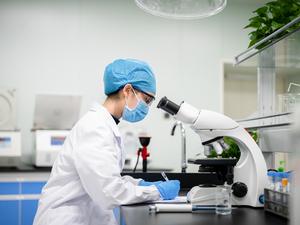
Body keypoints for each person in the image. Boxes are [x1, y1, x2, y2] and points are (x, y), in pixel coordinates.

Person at [33, 59, 180, 225]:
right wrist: (156, 191)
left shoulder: (105, 125)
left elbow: (106, 178)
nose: (147, 107)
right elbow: (108, 192)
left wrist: (139, 183)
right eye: (147, 100)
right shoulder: (95, 127)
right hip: (67, 219)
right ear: (128, 90)